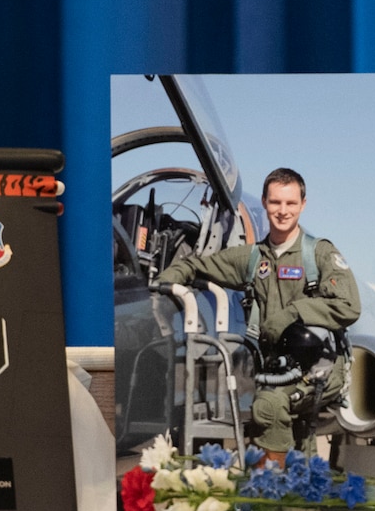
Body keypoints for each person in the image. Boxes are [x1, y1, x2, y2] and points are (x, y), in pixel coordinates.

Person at [154, 167, 362, 454]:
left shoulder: (319, 254)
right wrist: (163, 284)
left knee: (268, 405)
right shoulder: (253, 258)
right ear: (265, 202)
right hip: (277, 365)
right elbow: (196, 265)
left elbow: (350, 306)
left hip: (321, 366)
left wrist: (294, 312)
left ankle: (269, 486)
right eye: (276, 202)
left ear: (303, 204)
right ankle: (298, 483)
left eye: (291, 203)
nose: (283, 211)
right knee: (297, 442)